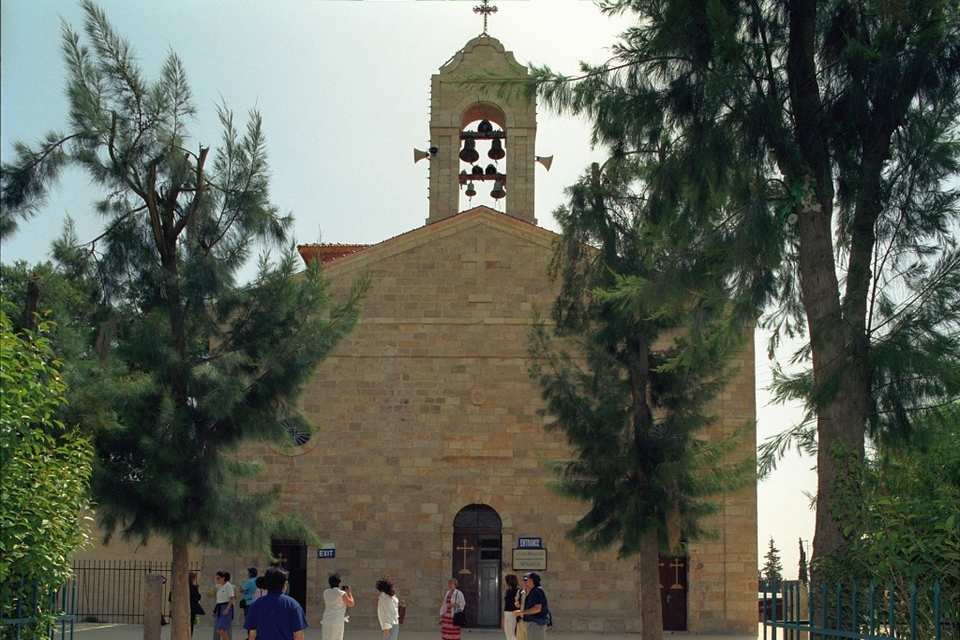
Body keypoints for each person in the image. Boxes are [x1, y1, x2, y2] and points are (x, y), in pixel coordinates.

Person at [244, 566, 309, 640]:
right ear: (284, 584)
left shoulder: (256, 605)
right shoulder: (293, 605)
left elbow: (252, 636)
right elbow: (299, 636)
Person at [513, 573, 549, 640]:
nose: (526, 581)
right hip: (531, 622)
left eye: (528, 579)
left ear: (531, 580)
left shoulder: (537, 591)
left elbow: (537, 609)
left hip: (537, 623)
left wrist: (521, 612)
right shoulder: (533, 591)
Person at [321, 573, 355, 640]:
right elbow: (351, 603)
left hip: (327, 619)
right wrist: (349, 593)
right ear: (339, 583)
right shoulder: (342, 594)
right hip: (337, 621)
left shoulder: (326, 592)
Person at [213, 571, 236, 640]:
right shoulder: (220, 587)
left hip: (225, 607)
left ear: (223, 578)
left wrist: (227, 608)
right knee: (221, 629)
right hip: (219, 607)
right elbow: (219, 600)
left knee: (220, 629)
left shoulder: (228, 586)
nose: (217, 580)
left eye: (218, 578)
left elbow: (231, 597)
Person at [376, 576, 400, 640]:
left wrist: (386, 628)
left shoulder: (384, 597)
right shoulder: (391, 596)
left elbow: (387, 613)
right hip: (394, 622)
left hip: (390, 624)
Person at [502, 574, 520, 640]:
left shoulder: (518, 591)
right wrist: (503, 617)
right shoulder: (508, 591)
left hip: (513, 613)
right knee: (508, 632)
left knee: (513, 632)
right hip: (507, 613)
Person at [188, 571, 206, 636]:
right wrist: (197, 589)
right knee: (191, 624)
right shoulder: (193, 587)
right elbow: (197, 597)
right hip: (191, 608)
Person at [514, 574, 530, 640]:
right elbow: (516, 600)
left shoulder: (535, 592)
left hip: (530, 621)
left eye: (527, 580)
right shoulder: (520, 592)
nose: (525, 582)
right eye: (524, 580)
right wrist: (516, 603)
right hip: (521, 620)